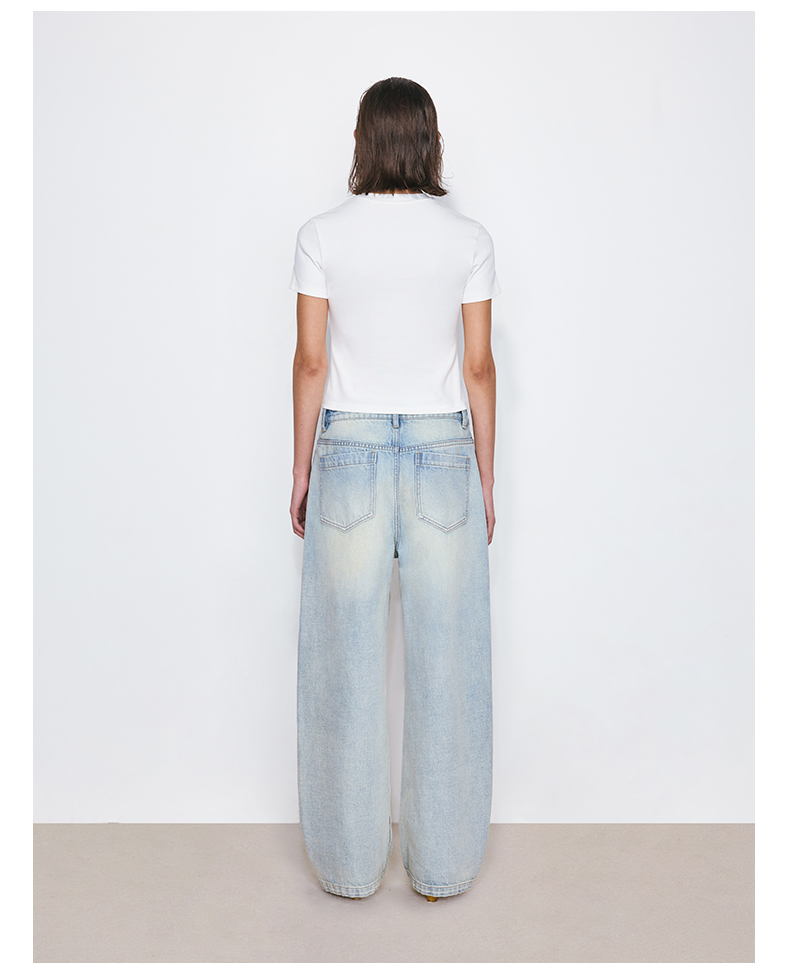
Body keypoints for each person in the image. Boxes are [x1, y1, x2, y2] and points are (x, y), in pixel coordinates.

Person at [288, 77, 501, 902]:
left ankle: (347, 868)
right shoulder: (469, 239)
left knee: (342, 663)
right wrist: (486, 474)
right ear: (430, 142)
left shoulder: (321, 235)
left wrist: (302, 469)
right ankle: (443, 867)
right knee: (449, 661)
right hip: (445, 451)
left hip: (348, 450)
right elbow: (478, 367)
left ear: (363, 141)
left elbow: (312, 361)